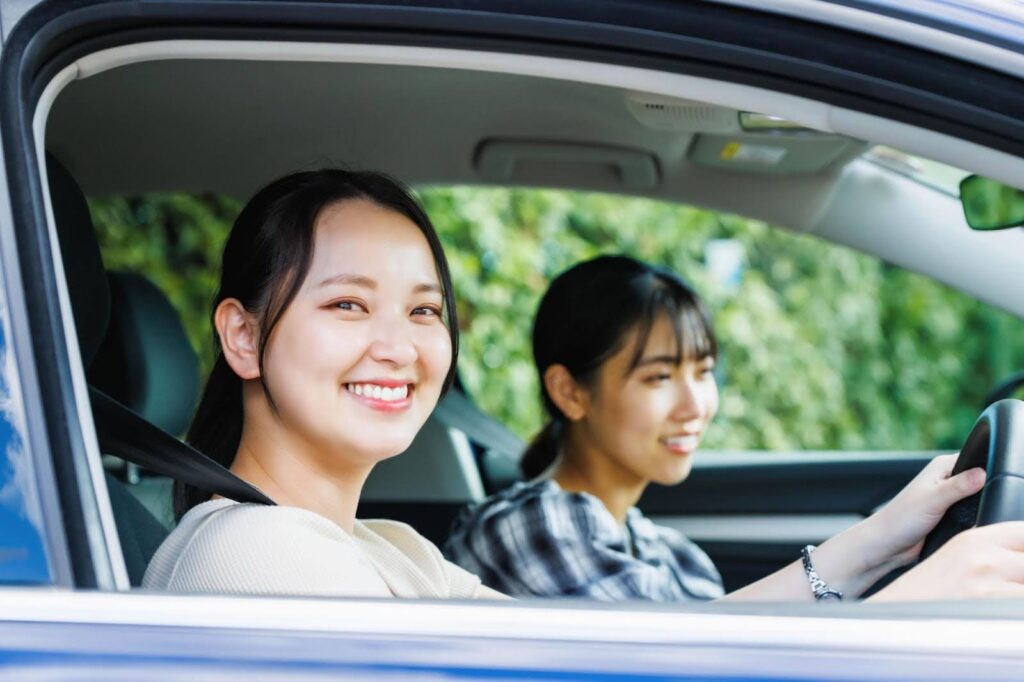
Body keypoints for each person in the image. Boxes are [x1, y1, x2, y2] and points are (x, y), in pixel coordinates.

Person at [146, 172, 1024, 602]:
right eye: (347, 304)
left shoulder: (387, 551)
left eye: (423, 312)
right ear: (245, 337)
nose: (400, 347)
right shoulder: (256, 557)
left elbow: (643, 651)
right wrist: (910, 606)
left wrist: (883, 542)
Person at [444, 255, 1023, 603]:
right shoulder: (529, 527)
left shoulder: (671, 553)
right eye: (659, 377)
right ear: (570, 391)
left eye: (702, 371)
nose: (695, 403)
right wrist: (914, 593)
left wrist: (890, 531)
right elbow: (681, 665)